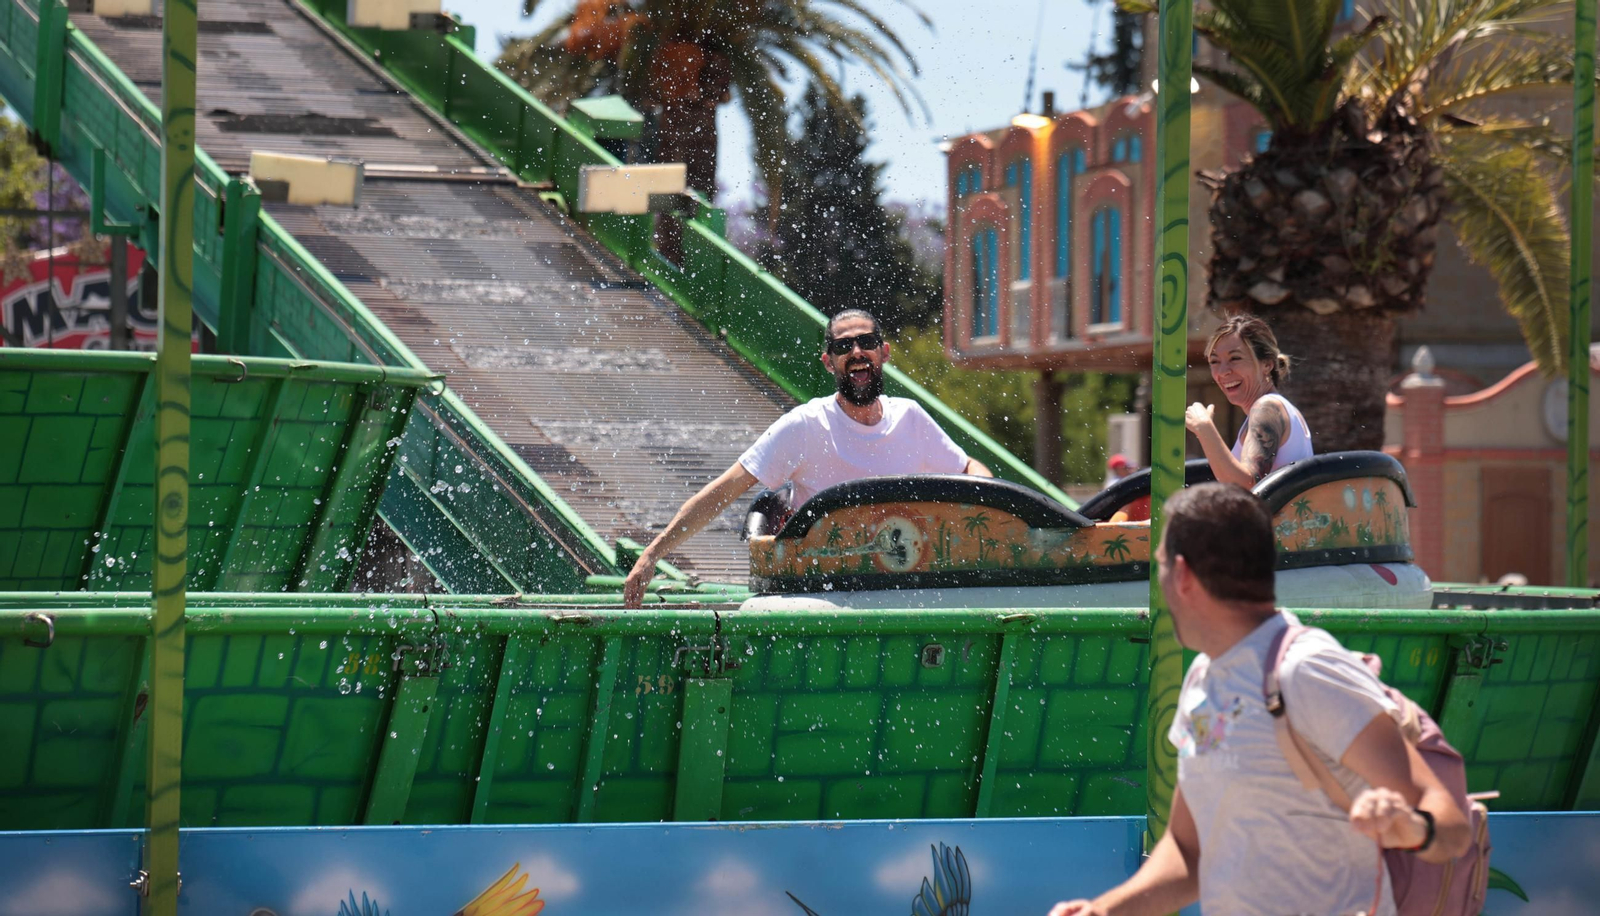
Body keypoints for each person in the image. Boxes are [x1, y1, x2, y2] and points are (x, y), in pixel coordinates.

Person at [1046, 483, 1471, 916]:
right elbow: (1191, 856)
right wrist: (1104, 911)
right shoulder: (1202, 679)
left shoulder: (1307, 670)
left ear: (1183, 575)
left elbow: (1453, 826)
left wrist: (1414, 828)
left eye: (1158, 568)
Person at [621, 309, 992, 607]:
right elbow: (726, 489)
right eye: (844, 346)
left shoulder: (911, 418)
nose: (857, 352)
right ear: (829, 362)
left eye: (867, 342)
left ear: (884, 353)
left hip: (904, 588)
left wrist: (989, 503)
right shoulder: (804, 426)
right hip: (825, 595)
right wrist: (653, 553)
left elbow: (968, 469)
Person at [1185, 315, 1313, 488]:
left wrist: (1204, 427)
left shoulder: (1268, 408)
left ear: (1267, 364)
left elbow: (1247, 484)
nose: (1222, 372)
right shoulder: (1274, 407)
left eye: (1235, 358)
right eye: (1214, 361)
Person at [1105, 454, 1150, 523]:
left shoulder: (1126, 482)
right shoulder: (1115, 484)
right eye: (1126, 468)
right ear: (1118, 469)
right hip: (1118, 519)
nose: (1130, 470)